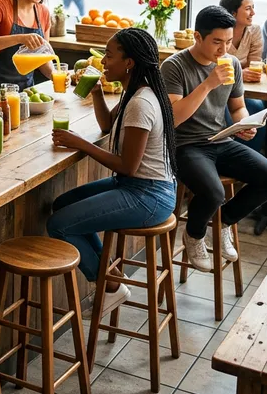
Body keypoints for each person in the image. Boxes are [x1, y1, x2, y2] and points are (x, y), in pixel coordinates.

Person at [47, 28, 177, 311]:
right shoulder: (135, 91)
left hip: (149, 195)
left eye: (109, 55)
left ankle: (108, 285)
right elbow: (107, 125)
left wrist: (81, 144)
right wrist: (96, 93)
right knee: (62, 205)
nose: (103, 62)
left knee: (59, 225)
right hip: (137, 186)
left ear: (129, 62)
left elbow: (128, 166)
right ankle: (111, 279)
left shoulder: (141, 102)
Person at [161, 6, 267, 271]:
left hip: (220, 140)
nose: (224, 49)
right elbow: (173, 118)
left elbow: (237, 106)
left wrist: (244, 123)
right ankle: (194, 235)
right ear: (197, 37)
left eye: (228, 42)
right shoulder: (174, 66)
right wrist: (208, 84)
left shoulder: (233, 63)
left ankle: (223, 223)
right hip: (185, 145)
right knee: (214, 191)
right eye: (217, 42)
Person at [219, 0, 265, 152]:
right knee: (227, 109)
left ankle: (252, 155)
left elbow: (255, 64)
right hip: (220, 89)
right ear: (232, 12)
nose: (253, 13)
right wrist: (241, 72)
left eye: (253, 7)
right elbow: (216, 66)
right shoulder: (218, 33)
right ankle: (231, 154)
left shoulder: (255, 31)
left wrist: (240, 73)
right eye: (248, 9)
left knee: (257, 105)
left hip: (244, 89)